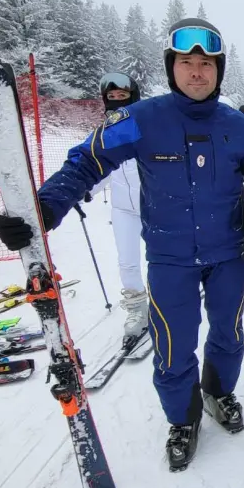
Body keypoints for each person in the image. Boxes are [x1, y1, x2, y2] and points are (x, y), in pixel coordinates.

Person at [0, 18, 244, 472]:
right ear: (172, 67)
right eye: (187, 62)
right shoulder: (141, 119)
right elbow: (86, 162)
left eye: (206, 63)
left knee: (229, 333)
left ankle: (219, 393)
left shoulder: (238, 127)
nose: (197, 72)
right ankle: (183, 419)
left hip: (229, 254)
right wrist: (44, 207)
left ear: (218, 70)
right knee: (172, 343)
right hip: (170, 256)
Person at [87, 72, 149, 347]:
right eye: (110, 98)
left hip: (154, 204)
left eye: (121, 97)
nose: (115, 102)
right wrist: (86, 190)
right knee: (127, 261)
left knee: (166, 256)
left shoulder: (147, 126)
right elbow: (99, 168)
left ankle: (174, 297)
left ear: (133, 96)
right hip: (123, 208)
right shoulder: (104, 133)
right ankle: (137, 308)